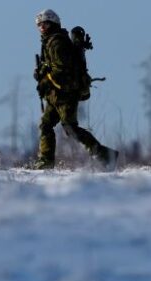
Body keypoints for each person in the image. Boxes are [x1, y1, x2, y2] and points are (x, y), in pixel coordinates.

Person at [34, 9, 119, 170]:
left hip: (66, 93)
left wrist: (45, 79)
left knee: (70, 128)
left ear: (53, 23)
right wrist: (42, 73)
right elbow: (52, 67)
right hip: (56, 94)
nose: (42, 27)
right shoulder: (50, 41)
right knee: (46, 125)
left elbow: (62, 69)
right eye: (39, 25)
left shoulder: (56, 43)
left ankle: (105, 155)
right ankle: (45, 162)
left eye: (45, 24)